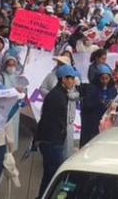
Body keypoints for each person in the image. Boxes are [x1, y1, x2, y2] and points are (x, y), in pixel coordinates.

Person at [34, 64, 79, 198]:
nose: (72, 81)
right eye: (70, 78)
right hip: (52, 141)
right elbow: (48, 119)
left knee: (49, 176)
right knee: (56, 175)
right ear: (63, 79)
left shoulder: (61, 94)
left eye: (73, 78)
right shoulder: (57, 96)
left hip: (52, 140)